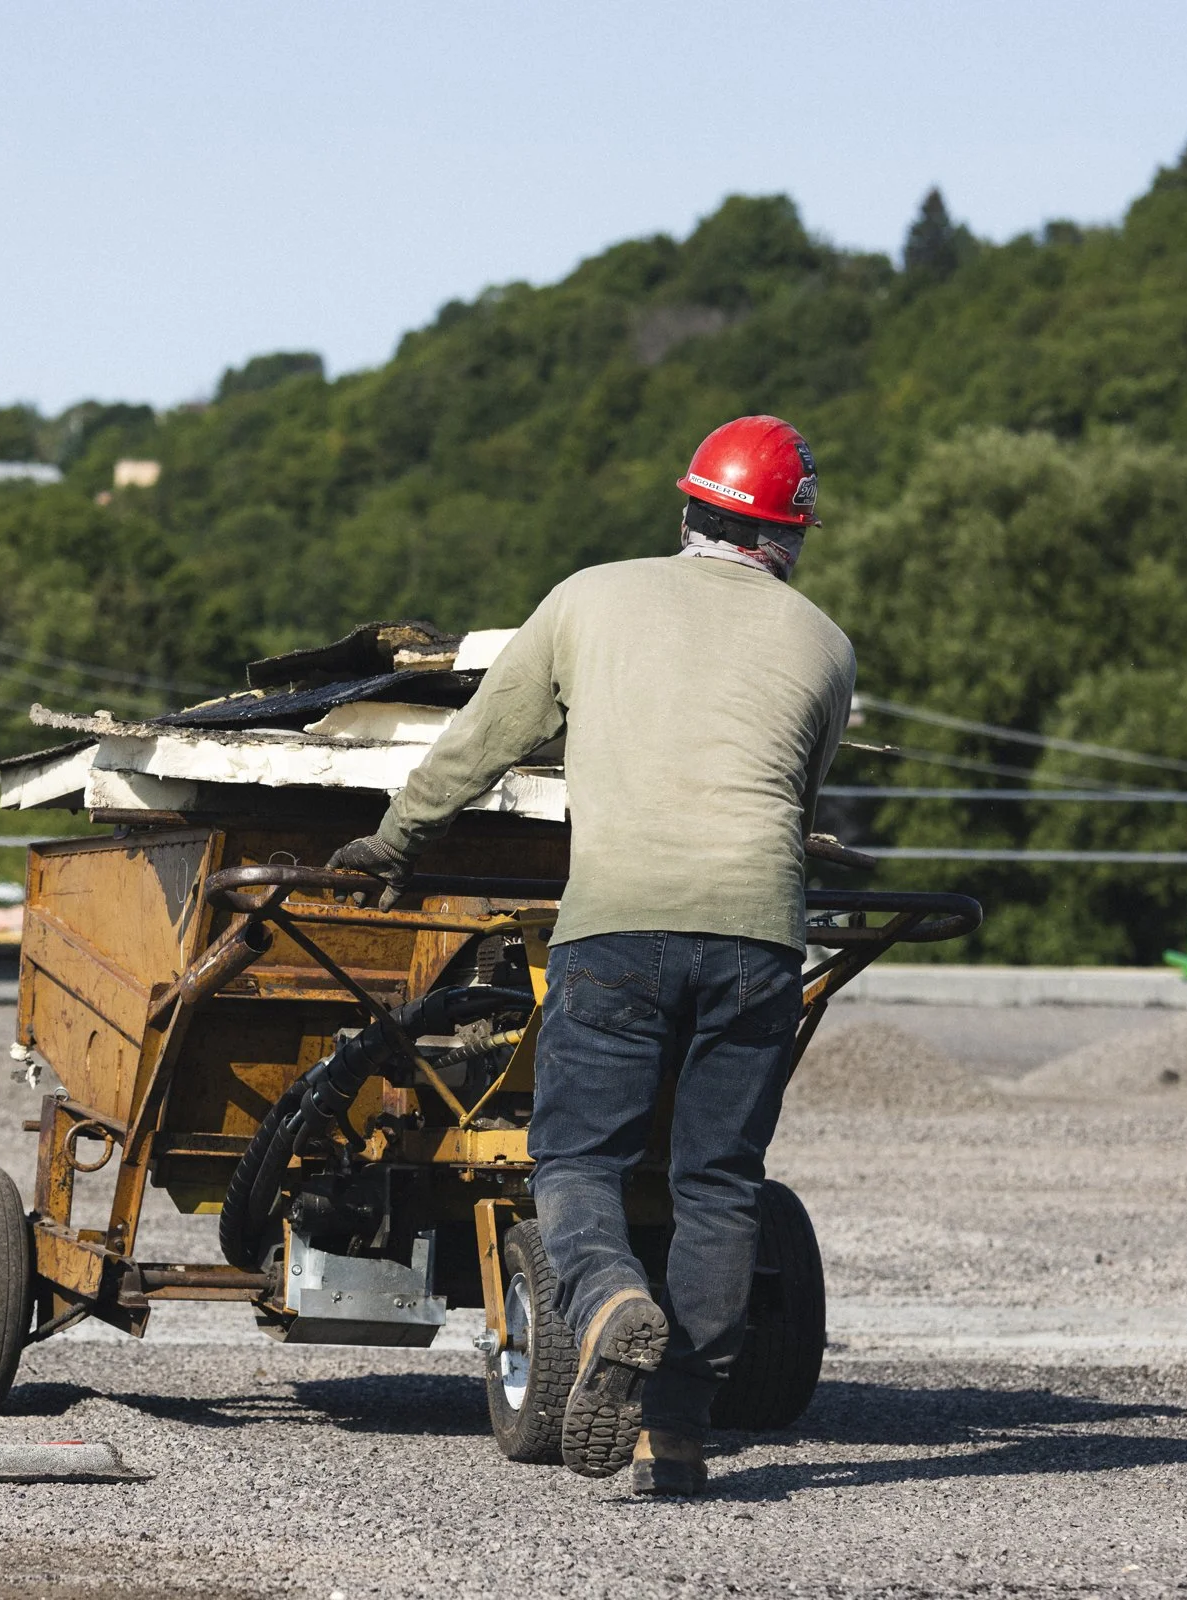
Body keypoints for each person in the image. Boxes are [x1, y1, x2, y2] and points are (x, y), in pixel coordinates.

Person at [328, 416, 855, 1498]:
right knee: (717, 1182)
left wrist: (395, 839)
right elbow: (791, 801)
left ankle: (611, 1295)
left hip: (617, 925)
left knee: (576, 1159)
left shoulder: (588, 597)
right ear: (788, 533)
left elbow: (484, 739)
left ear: (686, 511)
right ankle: (680, 1432)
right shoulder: (824, 644)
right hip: (759, 934)